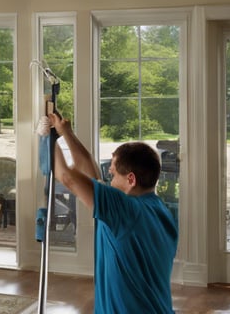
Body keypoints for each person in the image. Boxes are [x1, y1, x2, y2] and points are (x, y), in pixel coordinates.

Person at [48, 112, 178, 314]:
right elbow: (91, 176)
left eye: (114, 172)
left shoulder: (124, 210)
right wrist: (66, 133)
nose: (109, 174)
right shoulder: (159, 210)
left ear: (131, 180)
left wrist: (47, 138)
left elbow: (66, 176)